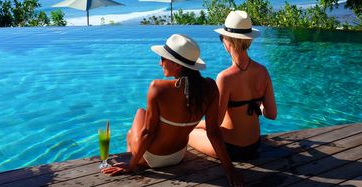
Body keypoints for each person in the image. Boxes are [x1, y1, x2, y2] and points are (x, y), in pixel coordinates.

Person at [102, 33, 243, 186]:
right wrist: (230, 170)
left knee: (138, 117)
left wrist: (130, 166)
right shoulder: (210, 87)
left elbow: (148, 133)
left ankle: (135, 157)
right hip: (178, 156)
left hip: (152, 159)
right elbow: (214, 133)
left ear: (177, 65)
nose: (159, 63)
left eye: (163, 58)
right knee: (143, 117)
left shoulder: (157, 88)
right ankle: (135, 154)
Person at [189, 10, 277, 161]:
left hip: (229, 148)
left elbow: (215, 124)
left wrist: (197, 124)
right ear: (249, 40)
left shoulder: (225, 77)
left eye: (221, 37)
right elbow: (271, 114)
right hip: (254, 146)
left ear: (227, 41)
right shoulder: (263, 71)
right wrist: (257, 106)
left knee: (188, 132)